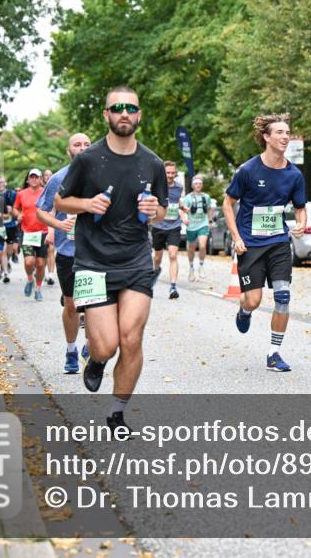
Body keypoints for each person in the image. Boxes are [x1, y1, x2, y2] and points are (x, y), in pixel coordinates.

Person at [55, 86, 167, 431]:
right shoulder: (88, 160)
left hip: (135, 261)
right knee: (105, 346)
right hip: (92, 262)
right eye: (116, 108)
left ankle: (117, 412)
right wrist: (86, 204)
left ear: (138, 116)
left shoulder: (153, 163)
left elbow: (161, 212)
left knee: (132, 338)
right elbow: (60, 202)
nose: (123, 113)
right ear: (106, 114)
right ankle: (97, 360)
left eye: (130, 108)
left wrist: (154, 210)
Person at [222, 114, 307, 373]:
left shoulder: (294, 174)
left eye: (287, 132)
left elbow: (300, 207)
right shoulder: (247, 171)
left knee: (283, 296)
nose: (285, 137)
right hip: (250, 245)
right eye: (279, 132)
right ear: (266, 137)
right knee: (254, 301)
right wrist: (236, 238)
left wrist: (301, 223)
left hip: (279, 242)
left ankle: (274, 353)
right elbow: (228, 204)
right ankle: (244, 311)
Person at [37, 133, 93, 374]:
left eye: (87, 144)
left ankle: (90, 345)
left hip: (96, 252)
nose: (82, 148)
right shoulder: (58, 178)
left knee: (93, 304)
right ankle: (71, 350)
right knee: (71, 304)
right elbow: (42, 211)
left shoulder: (101, 177)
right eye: (77, 144)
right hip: (68, 252)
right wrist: (58, 225)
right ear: (69, 150)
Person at [13, 169, 50, 300]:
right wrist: (18, 215)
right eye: (31, 177)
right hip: (27, 232)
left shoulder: (46, 192)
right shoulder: (21, 194)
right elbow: (15, 208)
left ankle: (38, 288)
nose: (34, 179)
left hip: (43, 233)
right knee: (29, 261)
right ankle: (30, 279)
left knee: (40, 263)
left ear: (41, 179)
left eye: (37, 177)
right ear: (28, 180)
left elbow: (52, 208)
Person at [150, 161, 184, 298]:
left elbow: (176, 202)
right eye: (167, 172)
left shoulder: (179, 188)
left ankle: (173, 287)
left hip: (174, 226)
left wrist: (183, 208)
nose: (170, 175)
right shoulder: (156, 187)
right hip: (158, 226)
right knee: (157, 257)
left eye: (172, 173)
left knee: (173, 255)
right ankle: (155, 274)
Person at [182, 174, 215, 281]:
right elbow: (182, 210)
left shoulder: (206, 197)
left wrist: (210, 221)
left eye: (200, 184)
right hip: (191, 226)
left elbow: (209, 209)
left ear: (202, 185)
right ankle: (191, 268)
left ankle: (201, 266)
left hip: (203, 224)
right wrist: (184, 218)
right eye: (196, 183)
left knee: (202, 246)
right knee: (191, 248)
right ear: (192, 185)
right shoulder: (188, 198)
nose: (198, 185)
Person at [0, 176, 19, 282]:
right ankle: (5, 273)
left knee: (10, 250)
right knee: (3, 249)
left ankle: (6, 262)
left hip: (10, 225)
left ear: (5, 183)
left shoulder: (11, 194)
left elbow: (19, 206)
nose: (0, 184)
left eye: (2, 182)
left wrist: (12, 209)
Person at [42, 168, 57, 286]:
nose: (48, 177)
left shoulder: (56, 188)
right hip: (40, 224)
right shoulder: (40, 191)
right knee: (44, 252)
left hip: (53, 222)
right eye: (46, 175)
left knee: (51, 248)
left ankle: (51, 274)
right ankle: (44, 272)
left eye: (50, 175)